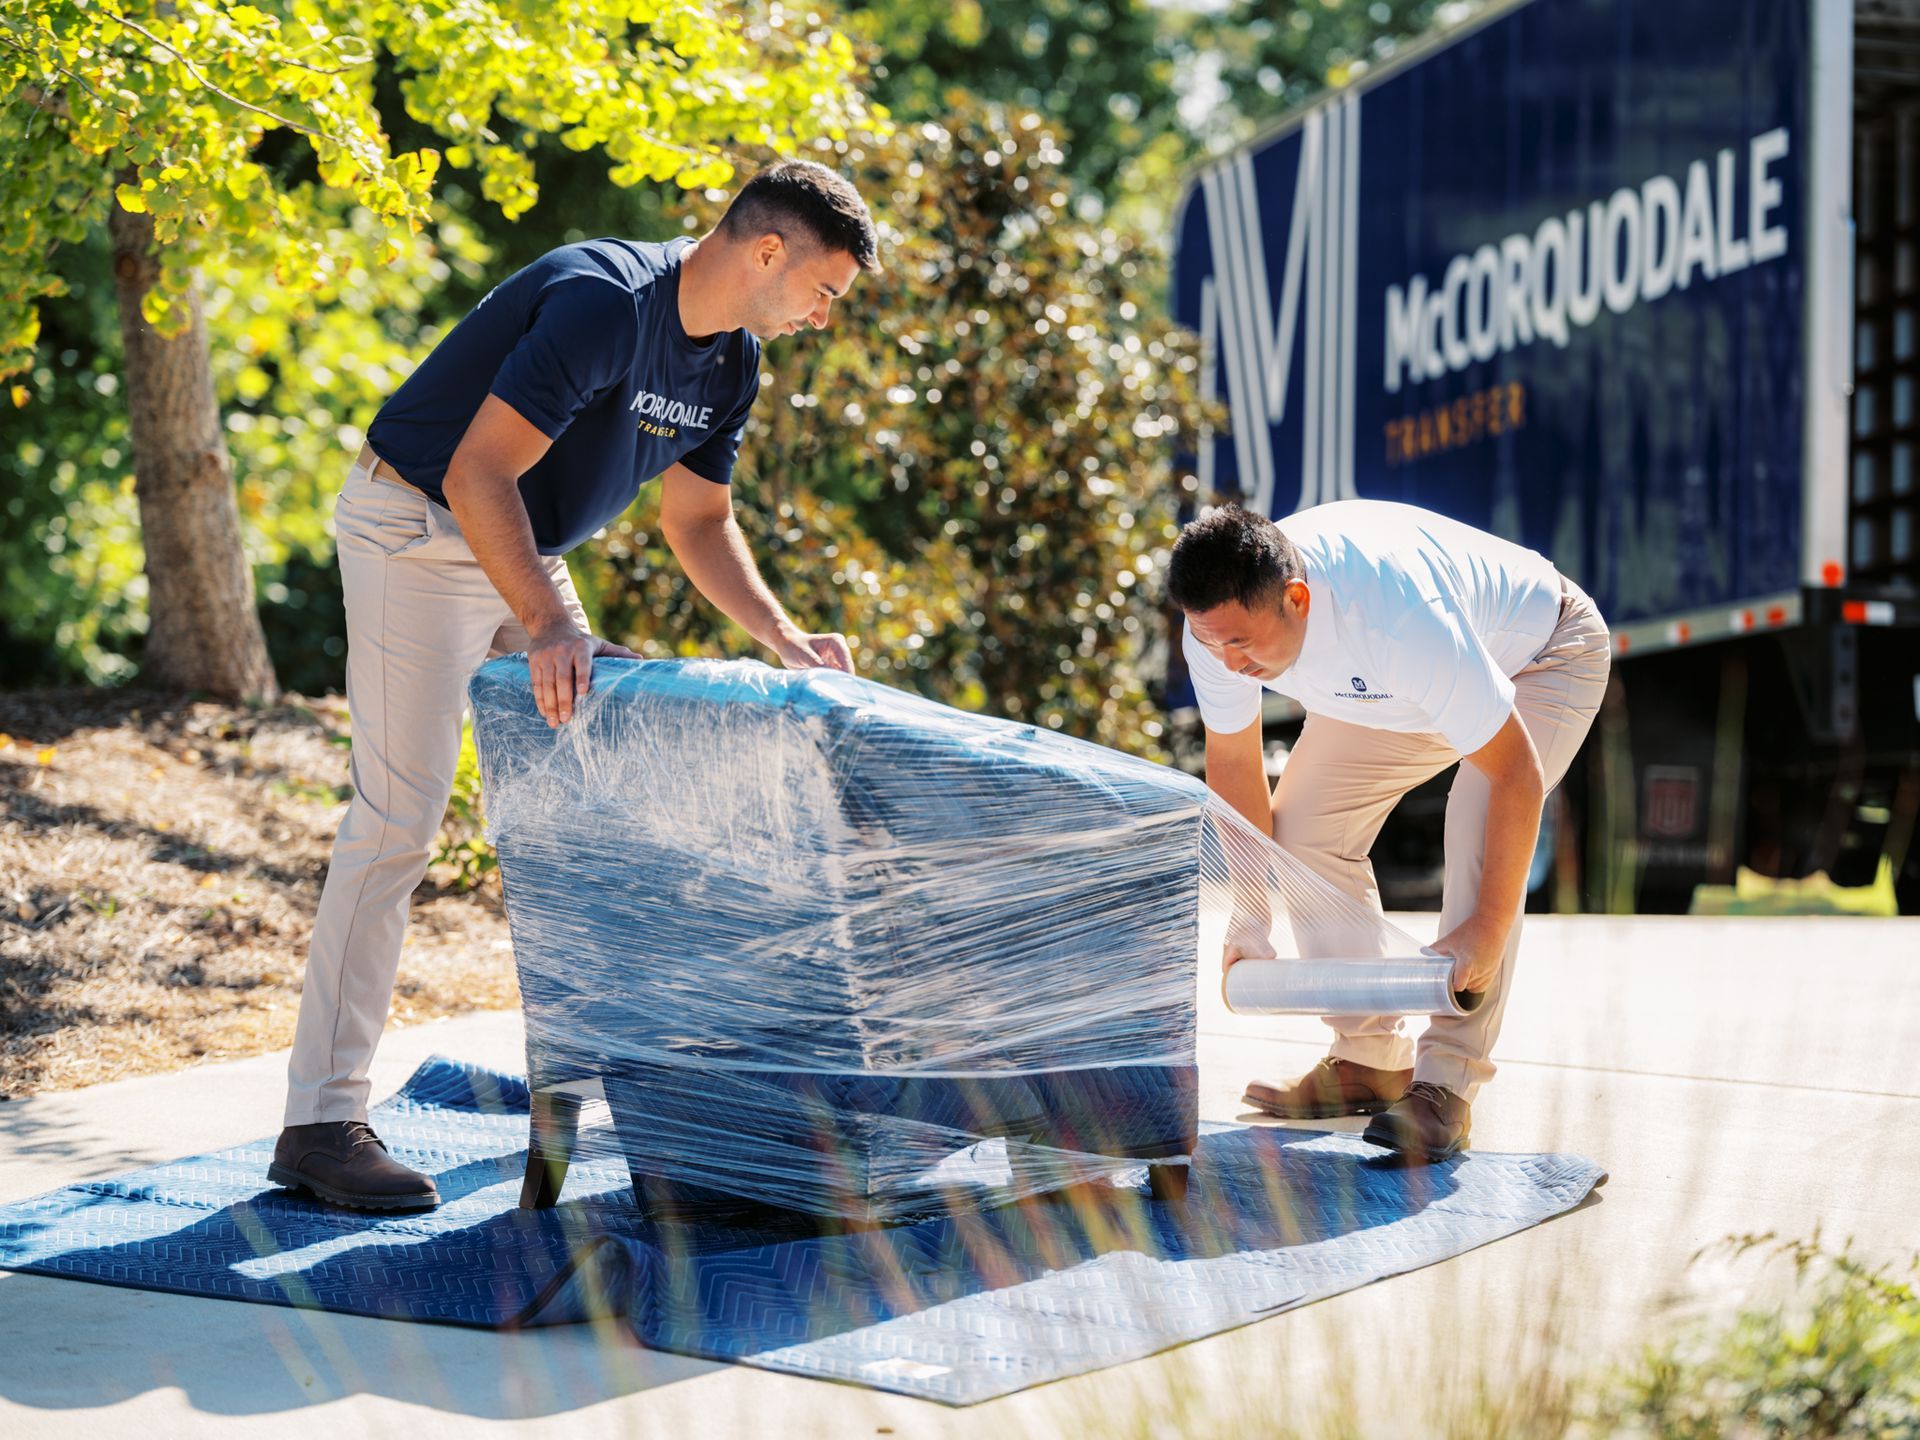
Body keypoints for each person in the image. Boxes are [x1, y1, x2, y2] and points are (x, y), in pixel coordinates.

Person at [268, 160, 880, 1210]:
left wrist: (785, 638)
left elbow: (698, 521)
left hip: (517, 544)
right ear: (768, 251)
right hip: (418, 523)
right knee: (399, 819)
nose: (824, 318)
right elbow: (475, 472)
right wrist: (552, 621)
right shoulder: (608, 300)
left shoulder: (731, 365)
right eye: (825, 290)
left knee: (602, 799)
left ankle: (645, 1094)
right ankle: (319, 1123)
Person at [1167, 499, 1609, 1163]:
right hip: (1401, 687)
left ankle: (1446, 1086)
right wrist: (1251, 914)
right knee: (1302, 830)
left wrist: (1485, 935)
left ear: (1297, 598)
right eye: (1212, 643)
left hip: (1541, 654)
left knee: (1476, 818)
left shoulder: (1397, 617)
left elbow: (1515, 776)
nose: (1229, 662)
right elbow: (1233, 759)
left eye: (1243, 643)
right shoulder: (1215, 629)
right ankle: (1369, 1057)